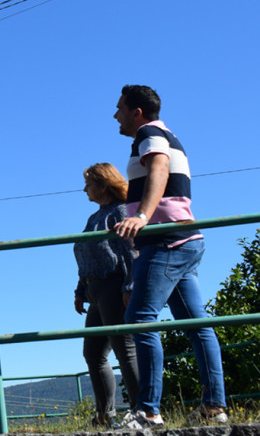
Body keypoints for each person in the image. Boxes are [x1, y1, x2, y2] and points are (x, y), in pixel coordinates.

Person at [112, 85, 227, 429]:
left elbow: (159, 168)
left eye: (119, 108)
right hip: (184, 239)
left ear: (137, 112)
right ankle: (214, 407)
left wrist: (142, 217)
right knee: (197, 325)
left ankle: (148, 412)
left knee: (140, 320)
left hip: (165, 241)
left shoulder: (150, 133)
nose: (115, 115)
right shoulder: (166, 134)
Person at [73, 163, 140, 427]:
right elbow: (86, 255)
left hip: (114, 286)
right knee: (93, 353)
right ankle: (105, 414)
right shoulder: (94, 218)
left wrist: (129, 286)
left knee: (125, 349)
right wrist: (80, 290)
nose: (85, 189)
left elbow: (131, 251)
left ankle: (140, 409)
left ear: (103, 185)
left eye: (89, 184)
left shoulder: (121, 211)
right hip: (94, 289)